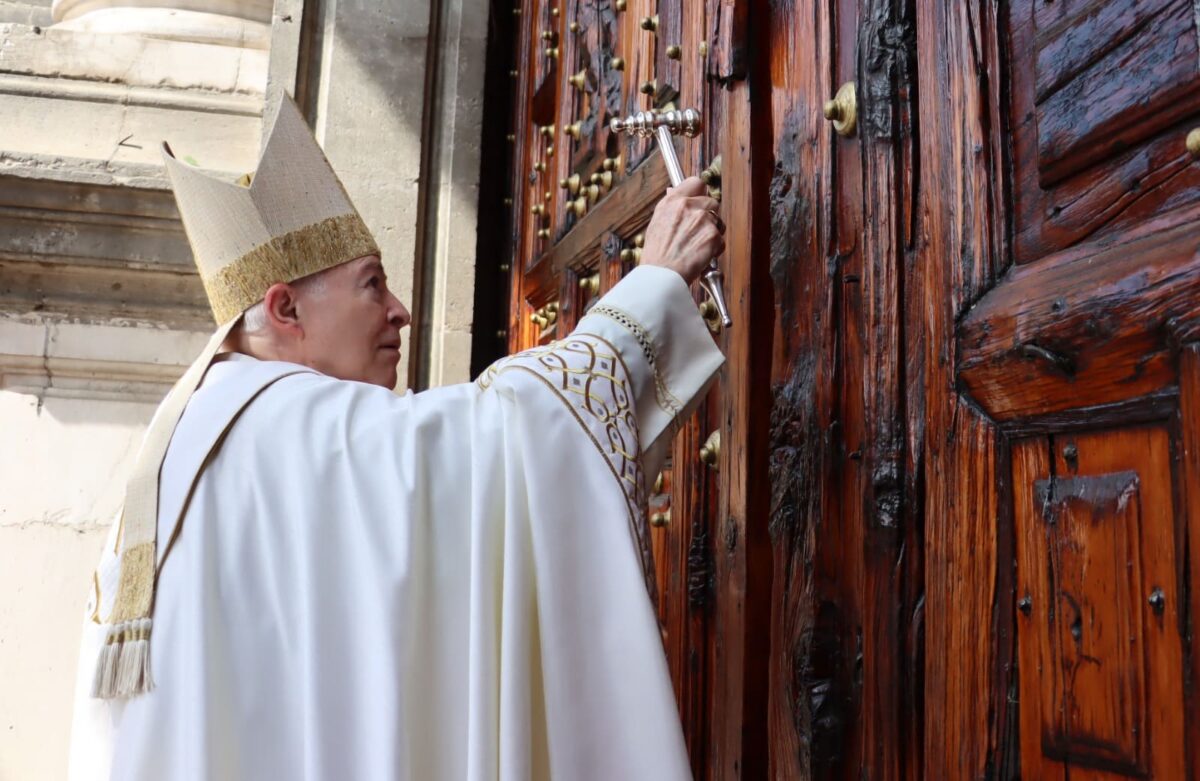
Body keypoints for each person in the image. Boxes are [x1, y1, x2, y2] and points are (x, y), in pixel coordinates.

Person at [68, 96, 725, 780]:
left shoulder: (189, 448)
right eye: (372, 284)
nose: (401, 311)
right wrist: (650, 291)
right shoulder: (277, 427)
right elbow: (497, 444)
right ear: (284, 307)